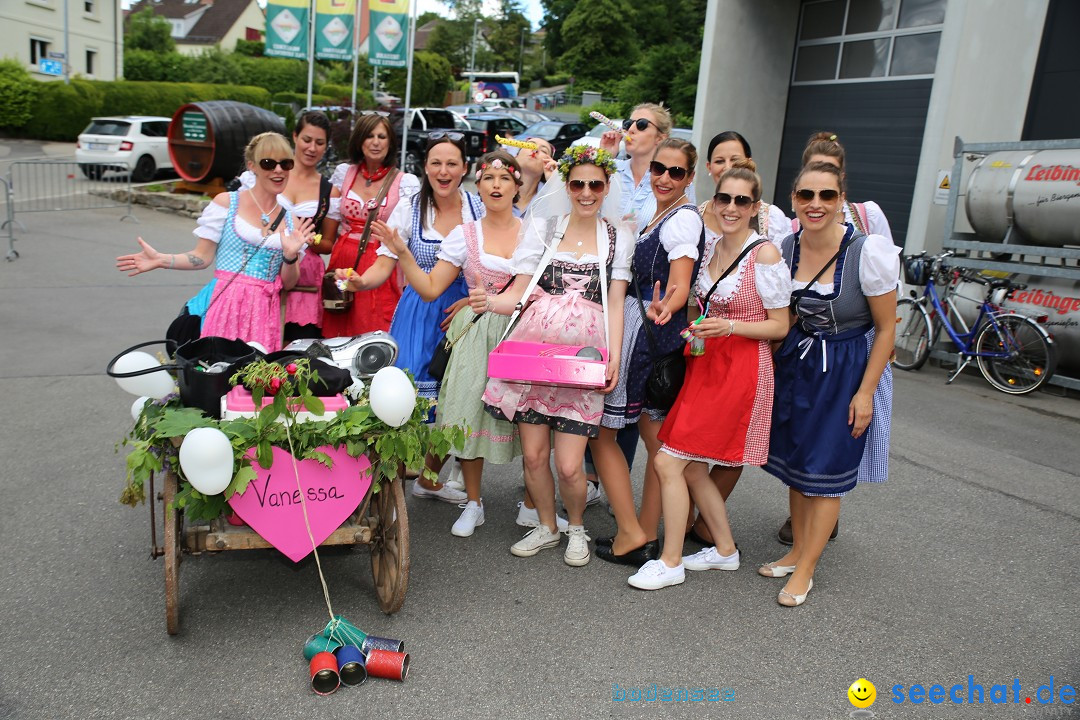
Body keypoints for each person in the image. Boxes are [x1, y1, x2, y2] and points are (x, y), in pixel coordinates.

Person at [627, 159, 791, 590]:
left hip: (740, 368)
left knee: (668, 461)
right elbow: (701, 305)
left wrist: (730, 326)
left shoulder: (766, 253)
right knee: (695, 468)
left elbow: (780, 325)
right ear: (714, 200)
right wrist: (677, 312)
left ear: (755, 207)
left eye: (742, 200)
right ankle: (724, 550)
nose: (731, 207)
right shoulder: (714, 246)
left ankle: (671, 559)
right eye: (724, 198)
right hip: (705, 361)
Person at [472, 145, 632, 567]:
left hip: (584, 356)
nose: (585, 192)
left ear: (606, 186)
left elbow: (615, 302)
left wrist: (613, 356)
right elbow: (520, 292)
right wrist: (487, 301)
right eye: (577, 183)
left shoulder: (618, 236)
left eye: (594, 184)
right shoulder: (544, 228)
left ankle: (576, 526)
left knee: (569, 465)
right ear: (566, 184)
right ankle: (547, 525)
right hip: (535, 352)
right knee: (534, 456)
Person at [760, 161, 898, 606]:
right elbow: (786, 313)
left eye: (826, 195)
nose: (815, 204)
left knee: (825, 473)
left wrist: (865, 392)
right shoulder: (786, 245)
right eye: (806, 196)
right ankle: (797, 550)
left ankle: (807, 569)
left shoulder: (868, 251)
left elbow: (887, 328)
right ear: (793, 200)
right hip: (798, 364)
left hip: (845, 369)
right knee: (799, 467)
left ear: (842, 200)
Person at [378, 150, 524, 537]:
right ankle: (474, 502)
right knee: (466, 414)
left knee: (531, 422)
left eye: (504, 178)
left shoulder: (537, 232)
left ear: (516, 186)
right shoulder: (465, 235)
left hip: (520, 333)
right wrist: (404, 252)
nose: (495, 185)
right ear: (479, 184)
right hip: (477, 334)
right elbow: (429, 288)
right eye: (488, 178)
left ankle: (535, 507)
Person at [338, 134, 483, 503]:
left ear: (464, 168)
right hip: (419, 312)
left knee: (456, 400)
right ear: (425, 168)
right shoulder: (409, 208)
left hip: (464, 312)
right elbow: (384, 264)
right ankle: (388, 485)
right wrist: (359, 281)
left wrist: (473, 299)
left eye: (452, 163)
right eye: (436, 163)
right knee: (405, 402)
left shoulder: (477, 208)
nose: (444, 171)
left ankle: (430, 478)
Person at [593, 138, 703, 567]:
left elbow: (681, 279)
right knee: (655, 441)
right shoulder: (662, 213)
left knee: (607, 432)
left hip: (649, 330)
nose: (665, 178)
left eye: (676, 172)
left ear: (690, 178)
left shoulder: (681, 221)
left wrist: (668, 306)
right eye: (660, 168)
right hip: (654, 327)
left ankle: (634, 531)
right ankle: (642, 534)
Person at [116, 132, 313, 352]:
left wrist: (290, 256)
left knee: (253, 380)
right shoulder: (227, 203)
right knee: (217, 374)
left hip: (263, 313)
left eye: (285, 164)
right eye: (268, 163)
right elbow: (202, 257)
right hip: (225, 305)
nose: (278, 171)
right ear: (252, 166)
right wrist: (162, 259)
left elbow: (288, 283)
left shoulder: (291, 220)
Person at [236, 112, 341, 342]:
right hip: (263, 264)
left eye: (319, 143)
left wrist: (307, 238)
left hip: (305, 272)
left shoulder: (329, 190)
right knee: (255, 338)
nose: (312, 148)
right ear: (294, 137)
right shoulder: (270, 173)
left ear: (326, 147)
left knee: (296, 346)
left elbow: (327, 245)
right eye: (307, 139)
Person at [322, 113, 420, 338]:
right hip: (343, 258)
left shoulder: (404, 182)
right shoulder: (344, 174)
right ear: (360, 141)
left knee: (372, 328)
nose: (375, 142)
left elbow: (410, 233)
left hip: (380, 262)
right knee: (338, 323)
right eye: (369, 136)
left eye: (382, 136)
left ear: (390, 142)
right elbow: (330, 225)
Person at [702, 131, 790, 247]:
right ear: (709, 167)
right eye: (719, 161)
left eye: (734, 160)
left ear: (749, 162)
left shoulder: (771, 218)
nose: (728, 167)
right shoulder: (696, 218)